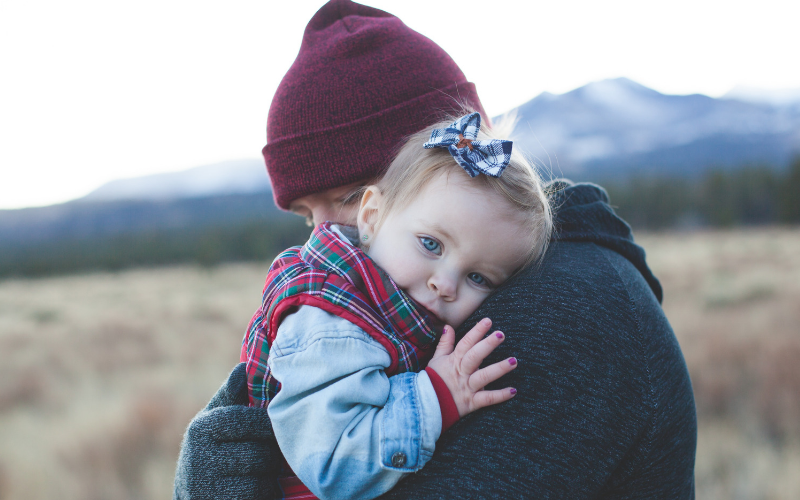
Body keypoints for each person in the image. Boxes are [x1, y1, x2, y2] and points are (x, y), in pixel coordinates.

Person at [174, 1, 697, 499]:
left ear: (457, 162)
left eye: (352, 199)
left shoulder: (559, 315)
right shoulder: (421, 301)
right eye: (308, 216)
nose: (324, 238)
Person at [244, 113, 552, 499]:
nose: (445, 284)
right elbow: (335, 466)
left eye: (479, 278)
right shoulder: (330, 322)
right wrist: (436, 394)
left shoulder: (392, 307)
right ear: (371, 216)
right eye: (430, 244)